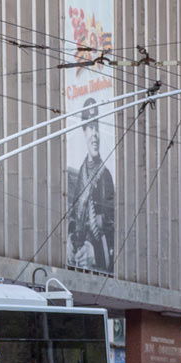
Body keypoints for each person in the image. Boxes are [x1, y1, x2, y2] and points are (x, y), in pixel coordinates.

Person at [68, 96, 115, 273]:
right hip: (78, 261)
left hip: (97, 268)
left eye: (97, 127)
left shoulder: (105, 176)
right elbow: (74, 216)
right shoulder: (82, 173)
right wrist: (69, 242)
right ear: (84, 131)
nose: (94, 134)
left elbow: (113, 228)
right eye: (90, 127)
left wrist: (95, 253)